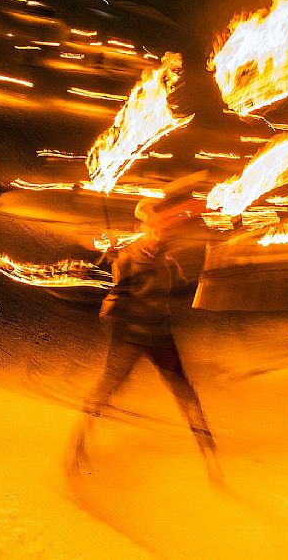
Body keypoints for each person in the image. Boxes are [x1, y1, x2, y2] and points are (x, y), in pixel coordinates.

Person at [82, 199, 223, 485]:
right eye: (153, 228)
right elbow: (116, 292)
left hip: (159, 335)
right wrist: (114, 265)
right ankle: (80, 442)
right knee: (107, 389)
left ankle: (208, 450)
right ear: (141, 228)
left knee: (185, 393)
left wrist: (206, 272)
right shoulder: (128, 257)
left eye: (162, 230)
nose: (159, 234)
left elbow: (181, 289)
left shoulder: (166, 261)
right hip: (131, 336)